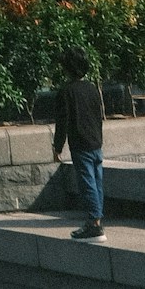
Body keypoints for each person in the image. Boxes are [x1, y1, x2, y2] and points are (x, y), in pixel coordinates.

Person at [52, 46, 106, 239]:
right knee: (97, 182)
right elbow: (98, 117)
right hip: (95, 143)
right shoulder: (92, 89)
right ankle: (97, 219)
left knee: (87, 183)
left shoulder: (66, 92)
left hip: (81, 144)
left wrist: (57, 147)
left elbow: (62, 122)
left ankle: (94, 224)